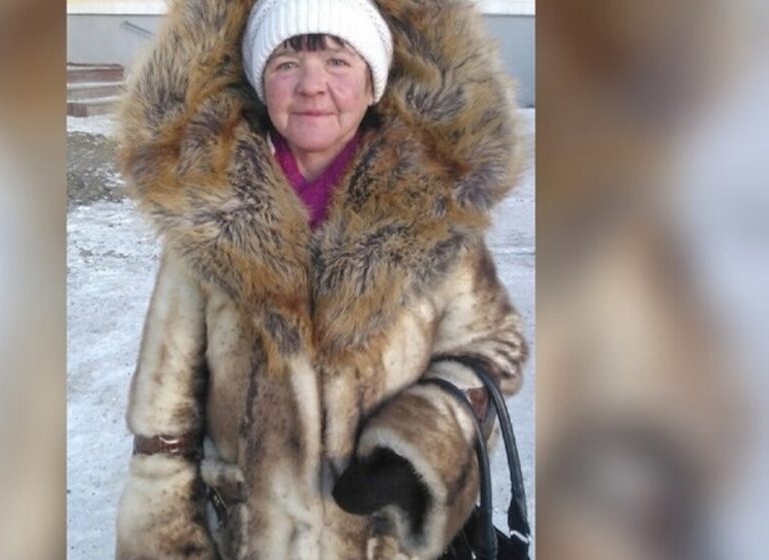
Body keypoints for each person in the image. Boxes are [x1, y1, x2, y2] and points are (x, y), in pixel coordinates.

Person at [114, 1, 527, 558]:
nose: (311, 85)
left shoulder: (437, 208)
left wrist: (423, 443)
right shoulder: (204, 214)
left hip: (385, 544)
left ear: (374, 83)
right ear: (260, 82)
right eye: (286, 62)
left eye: (338, 61)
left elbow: (491, 350)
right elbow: (164, 422)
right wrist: (166, 539)